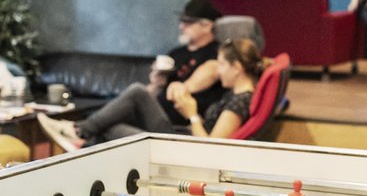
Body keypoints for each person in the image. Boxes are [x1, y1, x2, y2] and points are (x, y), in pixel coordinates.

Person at [37, 37, 263, 151]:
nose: (218, 69)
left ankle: (79, 132)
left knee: (125, 109)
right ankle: (81, 134)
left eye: (222, 64)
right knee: (124, 111)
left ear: (237, 68)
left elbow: (212, 150)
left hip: (181, 148)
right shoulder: (235, 94)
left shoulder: (239, 102)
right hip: (180, 136)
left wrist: (192, 114)